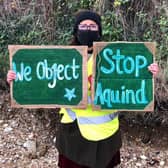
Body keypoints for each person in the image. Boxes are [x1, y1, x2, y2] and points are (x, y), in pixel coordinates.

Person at [7, 10, 159, 168]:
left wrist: (148, 73)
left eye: (92, 26)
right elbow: (39, 81)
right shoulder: (63, 57)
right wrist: (17, 79)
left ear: (99, 31)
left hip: (106, 135)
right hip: (73, 132)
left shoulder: (112, 56)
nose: (88, 29)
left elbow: (131, 80)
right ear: (76, 30)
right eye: (84, 25)